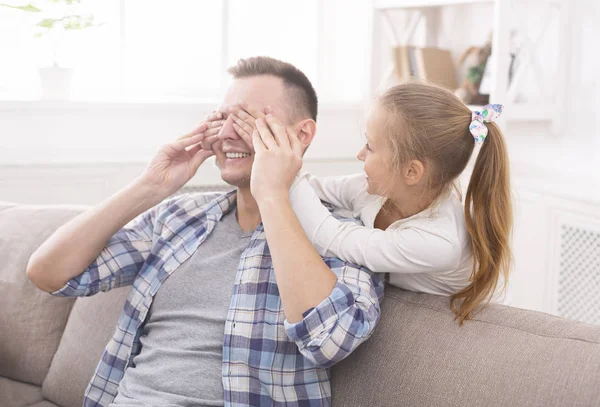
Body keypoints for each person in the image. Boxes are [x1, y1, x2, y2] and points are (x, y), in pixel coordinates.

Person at [26, 56, 383, 407]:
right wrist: (150, 186)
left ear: (301, 135)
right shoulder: (180, 215)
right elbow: (48, 273)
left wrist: (273, 193)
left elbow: (331, 340)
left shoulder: (345, 235)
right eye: (223, 118)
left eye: (249, 121)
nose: (227, 133)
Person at [246, 82, 512, 325]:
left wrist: (280, 163)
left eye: (370, 147)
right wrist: (274, 154)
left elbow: (329, 238)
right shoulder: (375, 188)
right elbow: (313, 189)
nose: (360, 154)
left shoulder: (440, 241)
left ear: (411, 172)